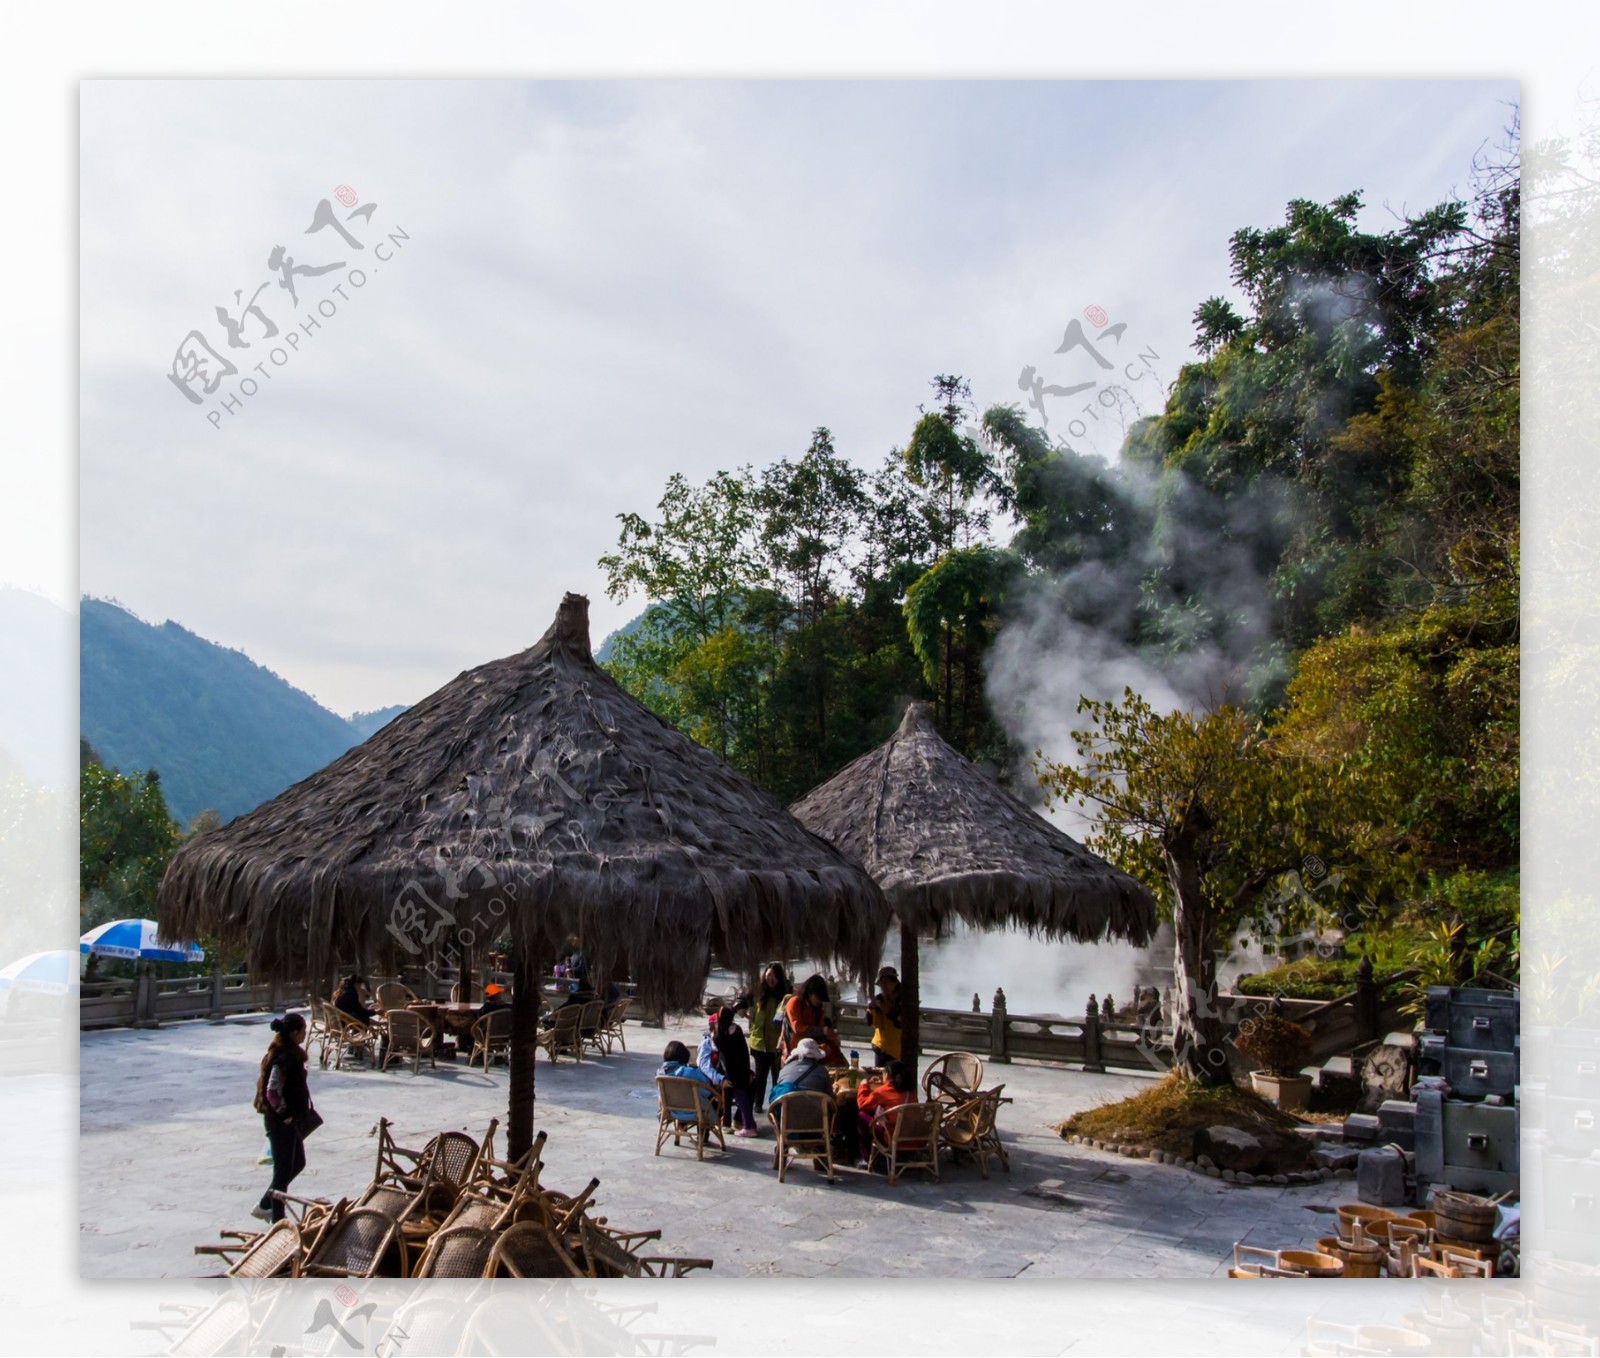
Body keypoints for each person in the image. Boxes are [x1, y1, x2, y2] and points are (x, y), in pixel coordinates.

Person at [252, 1013, 316, 1222]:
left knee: (297, 1162)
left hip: (289, 1120)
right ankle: (277, 1217)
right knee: (283, 1170)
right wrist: (284, 1113)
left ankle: (265, 1204)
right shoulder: (284, 1057)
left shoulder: (291, 1054)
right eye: (302, 1030)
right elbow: (272, 1091)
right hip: (280, 1121)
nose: (304, 1034)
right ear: (294, 1033)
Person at [700, 1005, 757, 1137]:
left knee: (740, 1098)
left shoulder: (717, 1035)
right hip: (741, 1069)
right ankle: (743, 1123)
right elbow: (743, 1051)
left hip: (728, 1072)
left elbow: (722, 1051)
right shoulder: (736, 1030)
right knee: (742, 1098)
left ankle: (748, 1126)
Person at [742, 962, 788, 1115]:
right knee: (760, 1077)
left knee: (778, 1077)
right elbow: (741, 1001)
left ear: (779, 978)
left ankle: (776, 1105)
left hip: (777, 1044)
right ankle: (757, 1104)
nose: (770, 979)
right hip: (759, 1042)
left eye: (774, 976)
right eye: (768, 976)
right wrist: (741, 1010)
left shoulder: (785, 995)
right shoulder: (758, 992)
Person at [853, 1059, 917, 1169]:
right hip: (914, 1138)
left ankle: (866, 1158)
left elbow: (863, 1104)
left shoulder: (882, 1091)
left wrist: (864, 1086)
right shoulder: (911, 1091)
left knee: (862, 1116)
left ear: (887, 1075)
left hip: (892, 1138)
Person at [783, 973, 844, 1066]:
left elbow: (820, 1028)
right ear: (809, 993)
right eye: (818, 997)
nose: (819, 1001)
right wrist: (823, 1031)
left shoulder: (818, 1007)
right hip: (795, 1051)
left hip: (812, 1050)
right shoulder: (794, 1002)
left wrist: (830, 1038)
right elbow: (798, 1028)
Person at [658, 1039, 719, 1124]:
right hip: (694, 1112)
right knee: (708, 1099)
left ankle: (681, 1126)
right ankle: (704, 1135)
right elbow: (707, 1092)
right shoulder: (689, 1072)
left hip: (670, 1111)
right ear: (684, 1057)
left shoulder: (660, 1074)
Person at [767, 1036, 835, 1103]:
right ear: (816, 1056)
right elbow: (829, 1096)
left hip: (787, 1111)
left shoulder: (784, 1069)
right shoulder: (822, 1070)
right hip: (814, 1111)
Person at [866, 965, 903, 1067]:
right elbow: (873, 1023)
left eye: (888, 982)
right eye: (882, 983)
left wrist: (885, 1008)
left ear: (895, 983)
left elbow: (898, 1021)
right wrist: (873, 1009)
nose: (885, 986)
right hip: (881, 1047)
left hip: (898, 1049)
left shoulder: (902, 1000)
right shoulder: (879, 999)